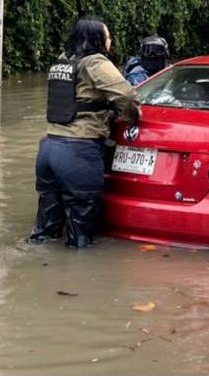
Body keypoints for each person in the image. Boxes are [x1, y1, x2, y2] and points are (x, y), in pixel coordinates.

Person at [30, 16, 140, 248]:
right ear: (97, 39)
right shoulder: (95, 63)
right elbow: (127, 96)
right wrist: (129, 118)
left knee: (45, 230)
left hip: (48, 149)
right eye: (108, 36)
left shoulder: (62, 62)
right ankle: (76, 279)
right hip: (78, 152)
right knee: (80, 233)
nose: (110, 41)